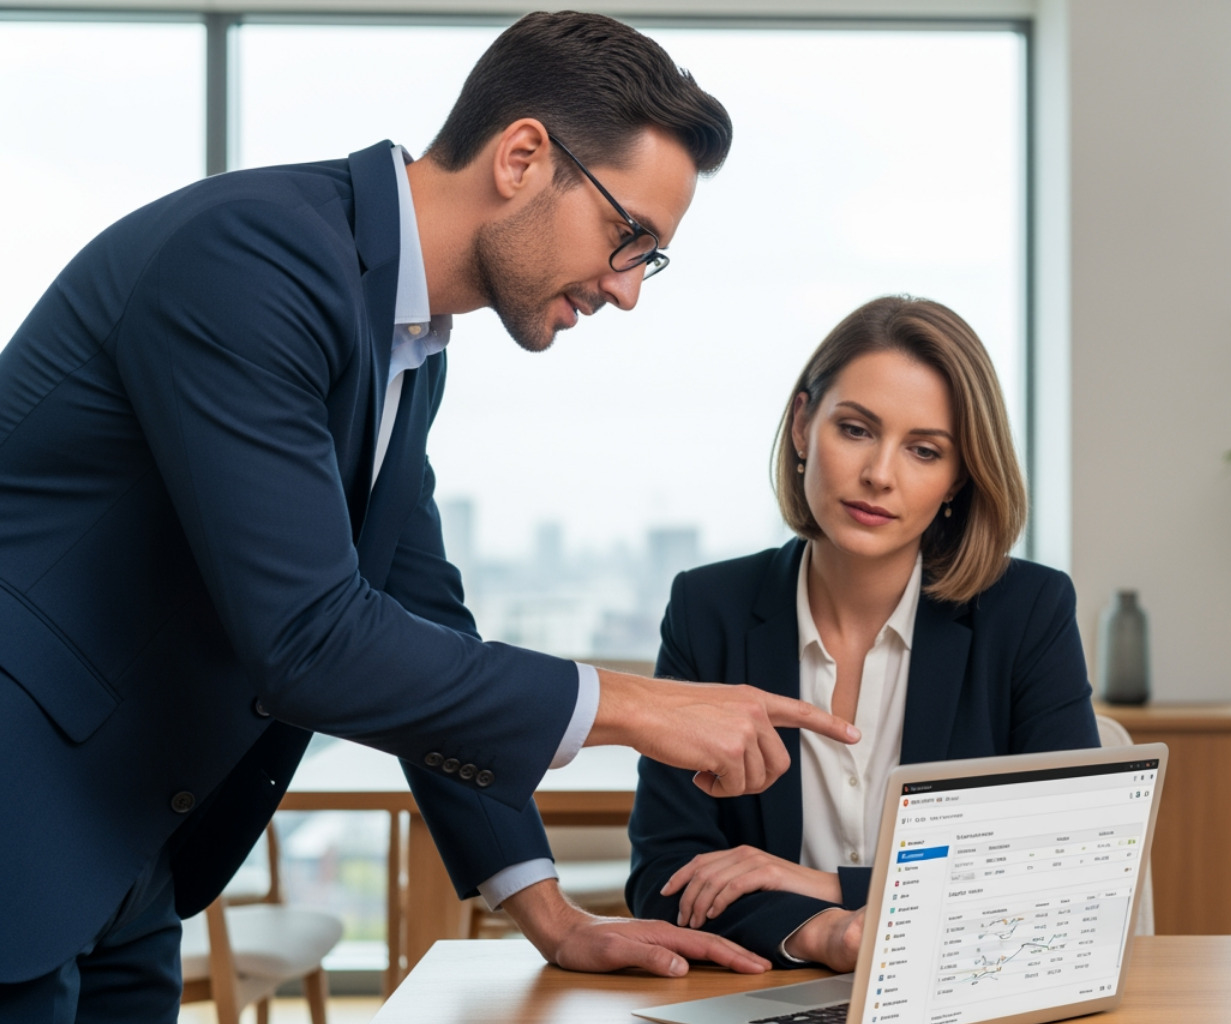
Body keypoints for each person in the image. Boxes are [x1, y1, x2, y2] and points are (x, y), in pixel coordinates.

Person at [0, 12, 861, 1020]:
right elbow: (311, 639)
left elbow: (418, 620)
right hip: (23, 814)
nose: (628, 290)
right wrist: (637, 706)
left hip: (119, 857)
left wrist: (549, 914)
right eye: (629, 237)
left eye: (650, 260)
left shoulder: (409, 344)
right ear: (523, 157)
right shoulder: (254, 260)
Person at [626, 296, 1100, 970]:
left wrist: (830, 888)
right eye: (855, 430)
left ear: (958, 478)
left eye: (924, 450)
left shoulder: (1027, 611)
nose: (879, 474)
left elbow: (1066, 864)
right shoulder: (710, 609)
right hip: (767, 992)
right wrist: (820, 932)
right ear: (802, 425)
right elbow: (666, 876)